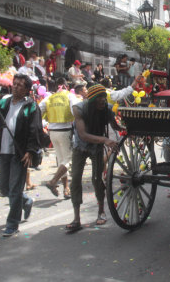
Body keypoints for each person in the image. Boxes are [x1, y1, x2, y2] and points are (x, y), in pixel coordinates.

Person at [0, 73, 43, 237]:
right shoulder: (4, 102)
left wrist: (30, 151)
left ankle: (12, 224)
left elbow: (35, 129)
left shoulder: (31, 106)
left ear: (27, 89)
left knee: (14, 189)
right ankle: (26, 201)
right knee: (4, 187)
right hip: (4, 150)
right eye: (15, 84)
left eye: (20, 85)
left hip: (19, 153)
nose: (16, 86)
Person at [66, 84, 120, 232]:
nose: (102, 101)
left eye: (104, 97)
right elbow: (83, 134)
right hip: (80, 146)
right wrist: (104, 140)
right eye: (99, 99)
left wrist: (126, 129)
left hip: (96, 147)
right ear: (92, 100)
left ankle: (101, 211)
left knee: (97, 179)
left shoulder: (108, 109)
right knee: (75, 179)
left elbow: (115, 126)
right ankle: (76, 218)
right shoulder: (79, 109)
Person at [40, 77, 77, 199]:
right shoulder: (69, 96)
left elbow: (38, 110)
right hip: (65, 131)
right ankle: (53, 181)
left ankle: (66, 189)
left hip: (52, 132)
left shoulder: (49, 97)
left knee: (61, 160)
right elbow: (76, 109)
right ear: (66, 86)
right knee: (69, 160)